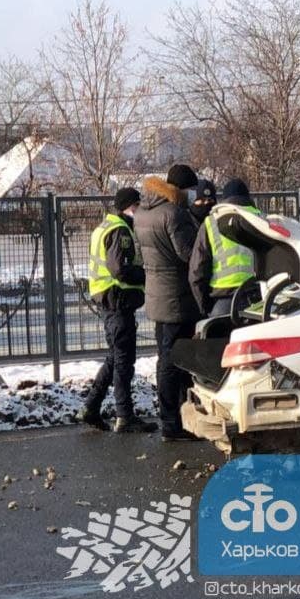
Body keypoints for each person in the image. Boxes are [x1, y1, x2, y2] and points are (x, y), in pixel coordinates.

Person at [79, 188, 156, 433]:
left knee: (115, 358)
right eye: (138, 205)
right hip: (118, 299)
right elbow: (120, 269)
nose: (140, 210)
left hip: (109, 300)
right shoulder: (119, 230)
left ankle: (91, 408)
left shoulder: (104, 226)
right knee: (124, 360)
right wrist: (148, 275)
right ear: (129, 207)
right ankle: (125, 415)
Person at [136, 164, 203, 441]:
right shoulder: (174, 214)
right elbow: (189, 254)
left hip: (156, 295)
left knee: (166, 358)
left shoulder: (143, 212)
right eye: (190, 190)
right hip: (177, 297)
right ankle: (174, 423)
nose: (192, 196)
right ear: (181, 189)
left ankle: (170, 419)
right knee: (176, 361)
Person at [189, 178, 263, 317]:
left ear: (224, 200)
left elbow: (197, 271)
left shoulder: (211, 223)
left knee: (220, 339)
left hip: (223, 300)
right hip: (257, 299)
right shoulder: (262, 219)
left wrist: (204, 306)